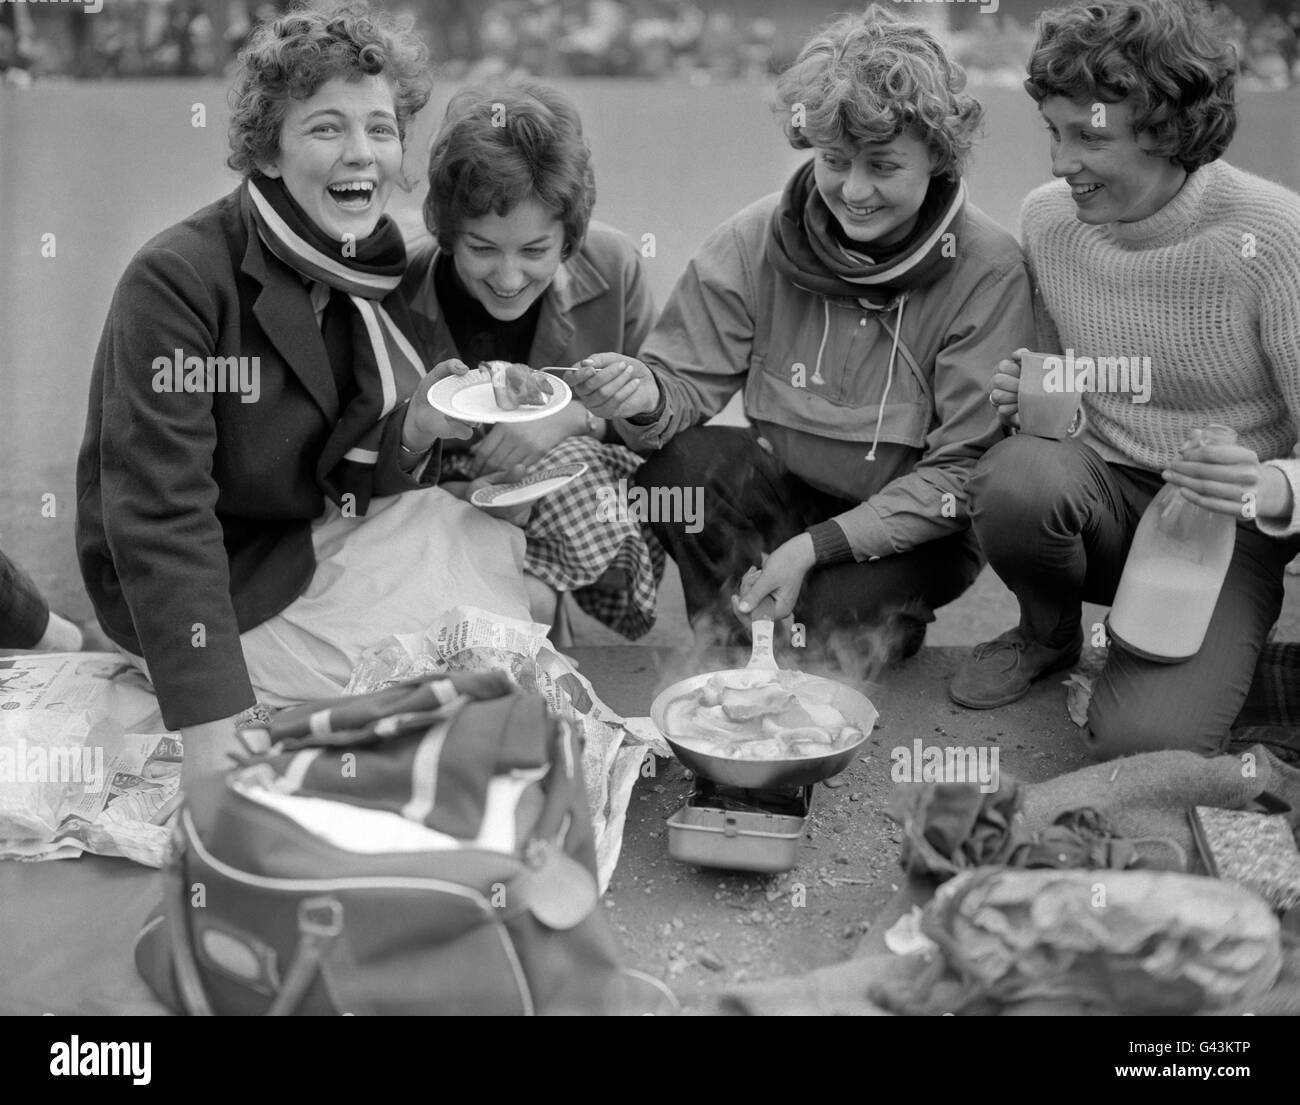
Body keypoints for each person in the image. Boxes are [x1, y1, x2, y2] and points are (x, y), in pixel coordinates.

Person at [76, 3, 531, 785]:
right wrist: (212, 732)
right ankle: (216, 694)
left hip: (293, 540)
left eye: (381, 129)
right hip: (211, 581)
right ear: (270, 150)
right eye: (326, 128)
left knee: (485, 542)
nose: (362, 155)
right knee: (456, 652)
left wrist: (417, 426)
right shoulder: (178, 279)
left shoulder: (362, 264)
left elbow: (347, 476)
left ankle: (314, 690)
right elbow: (160, 517)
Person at [573, 5, 1035, 657]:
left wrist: (813, 548)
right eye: (835, 160)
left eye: (882, 165)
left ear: (938, 153)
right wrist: (641, 394)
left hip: (920, 527)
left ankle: (850, 615)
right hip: (786, 487)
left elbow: (961, 472)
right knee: (674, 475)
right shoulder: (754, 237)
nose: (855, 189)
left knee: (827, 624)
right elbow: (680, 381)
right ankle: (731, 649)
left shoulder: (989, 270)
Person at [949, 0, 1300, 760]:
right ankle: (1049, 635)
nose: (1057, 162)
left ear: (1170, 131)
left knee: (1142, 742)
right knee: (1017, 477)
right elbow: (1060, 406)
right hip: (1103, 494)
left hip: (1220, 523)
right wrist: (1035, 400)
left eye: (1089, 136)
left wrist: (1268, 486)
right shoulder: (1048, 220)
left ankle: (1224, 662)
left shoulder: (1273, 239)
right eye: (1053, 130)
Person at [400, 79, 664, 639]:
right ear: (448, 235)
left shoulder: (613, 265)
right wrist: (466, 496)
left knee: (532, 602)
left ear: (570, 239)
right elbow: (378, 451)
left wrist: (577, 416)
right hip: (434, 497)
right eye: (482, 249)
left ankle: (547, 596)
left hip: (569, 494)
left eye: (536, 251)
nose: (509, 278)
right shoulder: (396, 285)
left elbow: (658, 421)